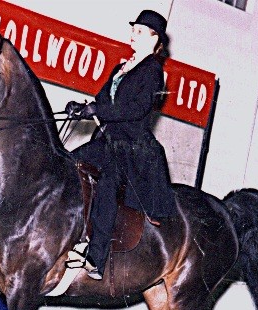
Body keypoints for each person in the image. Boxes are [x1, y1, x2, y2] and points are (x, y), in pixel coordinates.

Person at [65, 10, 176, 280]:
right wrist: (83, 108)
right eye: (133, 30)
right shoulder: (121, 68)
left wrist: (99, 109)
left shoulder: (153, 72)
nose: (132, 35)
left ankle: (96, 257)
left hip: (131, 147)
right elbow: (103, 99)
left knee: (109, 183)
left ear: (154, 39)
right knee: (68, 164)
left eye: (139, 32)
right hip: (107, 140)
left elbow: (137, 109)